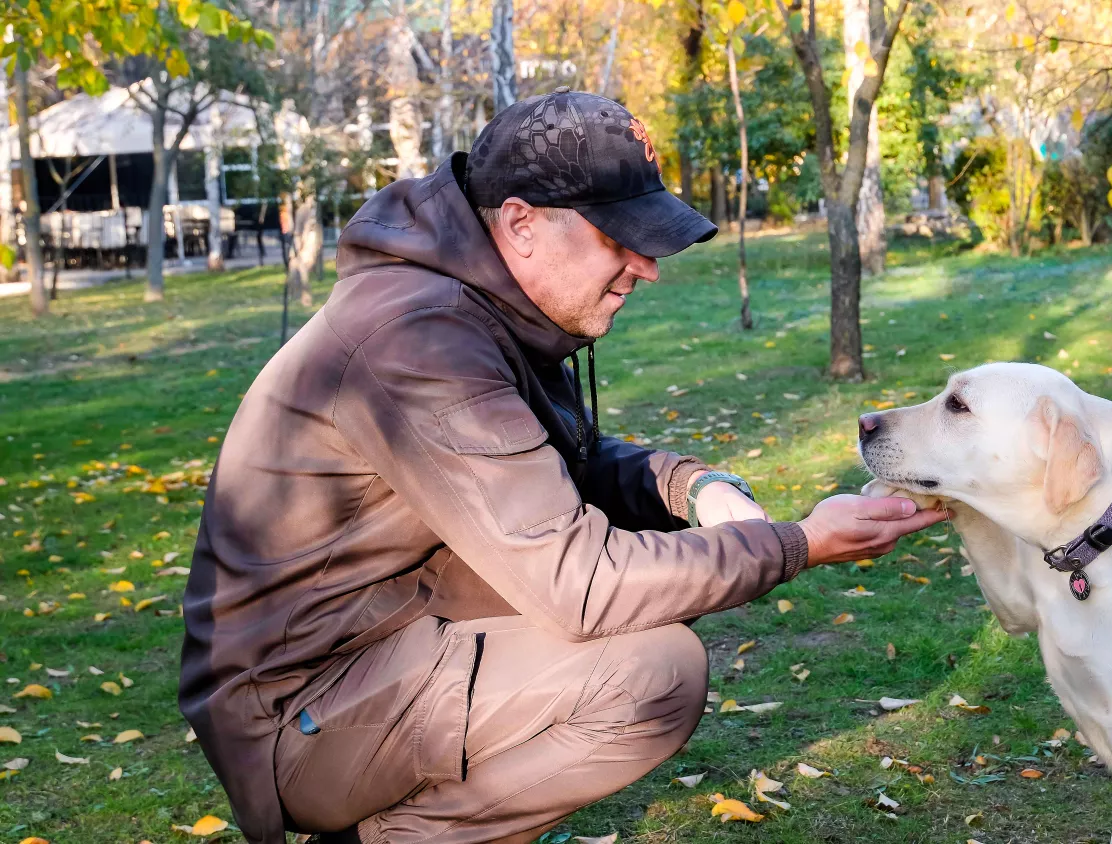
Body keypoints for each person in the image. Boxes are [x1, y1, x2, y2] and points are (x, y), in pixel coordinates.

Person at [178, 88, 947, 844]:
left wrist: (691, 486)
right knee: (653, 672)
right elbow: (583, 587)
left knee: (653, 604)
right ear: (521, 223)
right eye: (620, 238)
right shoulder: (416, 338)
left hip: (383, 646)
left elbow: (548, 460)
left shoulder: (477, 304)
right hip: (295, 711)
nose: (647, 267)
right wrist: (799, 543)